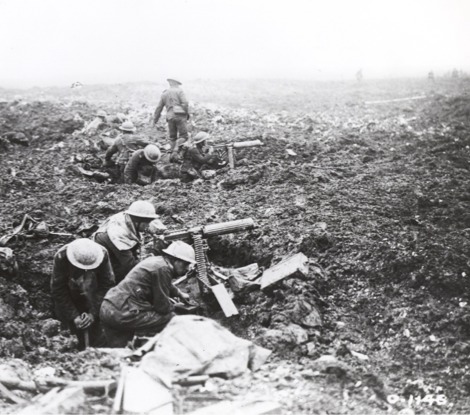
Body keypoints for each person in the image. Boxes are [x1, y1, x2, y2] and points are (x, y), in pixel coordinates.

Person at [100, 240, 196, 347]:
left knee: (119, 350)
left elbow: (164, 283)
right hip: (123, 313)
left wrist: (179, 293)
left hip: (109, 307)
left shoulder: (158, 261)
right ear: (174, 260)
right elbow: (162, 307)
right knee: (171, 318)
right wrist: (176, 307)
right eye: (185, 264)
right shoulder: (163, 269)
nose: (187, 268)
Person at [50, 238, 115, 349]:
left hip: (93, 289)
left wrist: (93, 313)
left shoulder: (102, 254)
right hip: (70, 291)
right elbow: (58, 289)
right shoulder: (62, 257)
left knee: (98, 332)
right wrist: (74, 316)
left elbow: (107, 284)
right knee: (67, 332)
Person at [93, 200, 159, 283]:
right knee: (122, 274)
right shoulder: (118, 233)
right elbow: (130, 265)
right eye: (147, 223)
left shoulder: (130, 218)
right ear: (138, 221)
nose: (148, 225)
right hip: (103, 255)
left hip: (114, 246)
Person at [152, 78, 189, 162]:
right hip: (180, 116)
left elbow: (159, 108)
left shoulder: (164, 93)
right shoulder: (179, 91)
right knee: (184, 136)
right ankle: (176, 152)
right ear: (176, 83)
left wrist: (155, 120)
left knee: (172, 138)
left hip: (170, 117)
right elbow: (185, 103)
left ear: (170, 83)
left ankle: (171, 158)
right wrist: (186, 113)